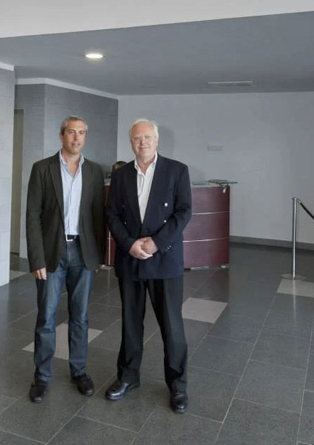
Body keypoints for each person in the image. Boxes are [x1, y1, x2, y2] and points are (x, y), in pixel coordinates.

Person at [105, 118, 192, 414]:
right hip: (130, 259)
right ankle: (128, 377)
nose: (142, 142)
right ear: (131, 142)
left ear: (157, 140)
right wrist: (129, 243)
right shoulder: (120, 176)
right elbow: (112, 214)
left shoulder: (177, 170)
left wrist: (156, 243)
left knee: (172, 325)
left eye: (147, 137)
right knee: (130, 323)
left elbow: (184, 212)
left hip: (164, 260)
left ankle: (178, 385)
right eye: (136, 138)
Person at [26, 116, 105, 403]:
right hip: (51, 253)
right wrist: (36, 259)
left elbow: (98, 215)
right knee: (46, 317)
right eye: (71, 132)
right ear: (61, 135)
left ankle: (79, 372)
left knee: (80, 317)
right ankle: (42, 377)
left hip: (83, 253)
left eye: (81, 133)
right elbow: (32, 216)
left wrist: (98, 255)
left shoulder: (94, 171)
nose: (76, 138)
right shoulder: (42, 169)